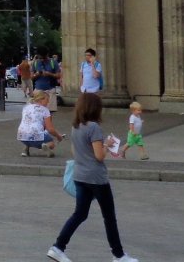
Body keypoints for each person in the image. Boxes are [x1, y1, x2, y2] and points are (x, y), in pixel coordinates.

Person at [47, 92, 138, 262]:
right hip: (96, 178)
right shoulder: (94, 128)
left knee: (80, 214)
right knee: (109, 217)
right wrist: (108, 145)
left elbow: (76, 151)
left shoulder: (76, 126)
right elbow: (99, 156)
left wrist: (97, 147)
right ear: (95, 109)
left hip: (80, 176)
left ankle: (58, 247)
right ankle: (118, 255)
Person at [18, 88, 62, 157]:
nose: (48, 102)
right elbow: (50, 129)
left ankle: (26, 149)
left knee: (29, 130)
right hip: (36, 136)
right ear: (41, 99)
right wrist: (58, 136)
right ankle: (46, 146)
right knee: (51, 142)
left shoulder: (26, 107)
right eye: (47, 100)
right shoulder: (45, 110)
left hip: (21, 135)